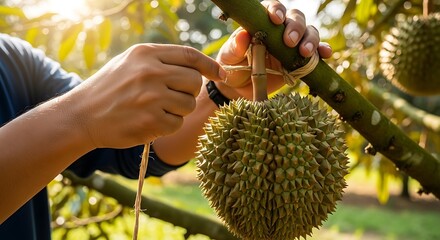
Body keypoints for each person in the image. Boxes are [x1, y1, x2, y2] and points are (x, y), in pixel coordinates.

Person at [0, 1, 332, 238]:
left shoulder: (13, 61)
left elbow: (132, 147)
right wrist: (80, 115)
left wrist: (225, 91)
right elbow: (86, 120)